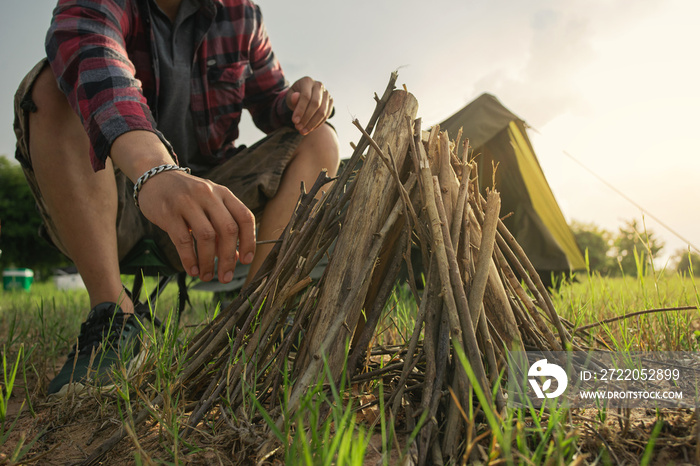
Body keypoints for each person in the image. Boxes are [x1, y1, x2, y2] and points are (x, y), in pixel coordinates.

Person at [13, 0, 340, 396]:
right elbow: (92, 62)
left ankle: (260, 317)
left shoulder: (241, 13)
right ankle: (113, 319)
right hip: (113, 204)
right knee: (53, 83)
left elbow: (270, 104)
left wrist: (297, 101)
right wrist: (157, 172)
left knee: (320, 138)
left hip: (209, 203)